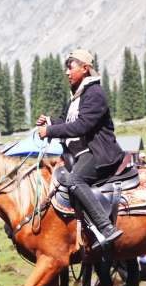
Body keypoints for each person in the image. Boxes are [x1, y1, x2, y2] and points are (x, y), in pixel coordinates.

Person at [37, 48, 123, 249]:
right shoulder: (78, 95)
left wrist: (49, 130)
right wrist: (49, 121)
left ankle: (106, 227)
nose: (67, 72)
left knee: (74, 179)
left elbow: (82, 126)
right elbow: (68, 121)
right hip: (81, 154)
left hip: (98, 153)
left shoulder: (95, 93)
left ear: (85, 68)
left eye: (71, 67)